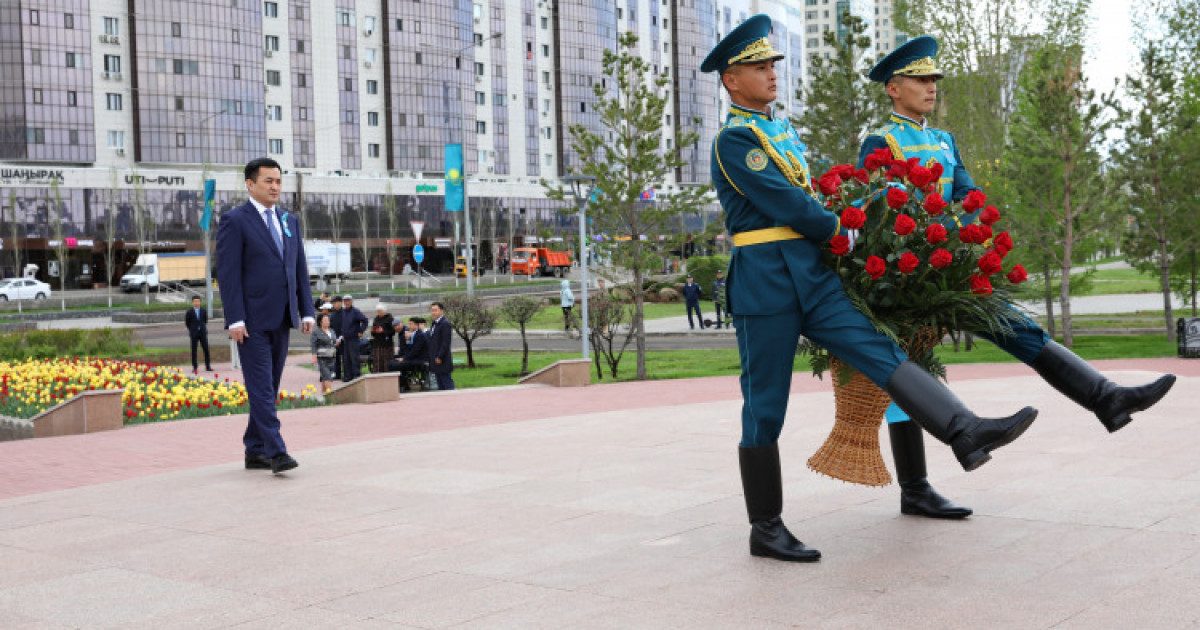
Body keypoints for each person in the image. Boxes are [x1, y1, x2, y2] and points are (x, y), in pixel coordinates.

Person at [702, 15, 1039, 562]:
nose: (770, 74)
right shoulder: (736, 139)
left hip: (810, 273)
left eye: (771, 65)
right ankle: (765, 526)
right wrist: (842, 229)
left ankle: (964, 429)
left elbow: (809, 197)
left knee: (879, 349)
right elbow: (787, 205)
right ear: (730, 80)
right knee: (766, 405)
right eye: (757, 67)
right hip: (765, 279)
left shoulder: (779, 130)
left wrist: (847, 223)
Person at [859, 36, 1178, 521]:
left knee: (1013, 324)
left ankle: (1105, 398)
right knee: (907, 372)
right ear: (893, 88)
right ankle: (917, 489)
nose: (930, 88)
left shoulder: (944, 141)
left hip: (950, 264)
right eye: (921, 80)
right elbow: (879, 210)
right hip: (907, 271)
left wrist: (981, 241)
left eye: (933, 80)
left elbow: (968, 197)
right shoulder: (881, 142)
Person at [216, 157, 315, 475]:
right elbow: (228, 274)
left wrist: (307, 310)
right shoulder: (235, 220)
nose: (275, 187)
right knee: (260, 387)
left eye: (278, 181)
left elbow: (299, 269)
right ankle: (276, 451)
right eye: (268, 181)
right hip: (251, 322)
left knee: (268, 387)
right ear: (250, 184)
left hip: (283, 317)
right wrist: (234, 318)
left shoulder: (289, 220)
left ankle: (254, 449)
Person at [389, 316, 429, 391]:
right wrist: (403, 357)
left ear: (416, 325)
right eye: (409, 324)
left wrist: (404, 358)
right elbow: (408, 349)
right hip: (411, 358)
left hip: (419, 359)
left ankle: (403, 386)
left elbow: (415, 351)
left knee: (397, 365)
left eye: (411, 324)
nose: (409, 326)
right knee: (391, 363)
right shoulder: (412, 334)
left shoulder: (420, 335)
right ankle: (400, 384)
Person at [340, 294, 368, 381]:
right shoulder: (343, 311)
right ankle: (348, 376)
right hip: (346, 339)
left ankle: (356, 375)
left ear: (351, 301)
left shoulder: (355, 311)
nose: (346, 302)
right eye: (345, 301)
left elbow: (365, 320)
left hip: (353, 338)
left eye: (348, 300)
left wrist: (361, 331)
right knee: (346, 358)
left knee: (354, 358)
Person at [427, 301, 454, 390]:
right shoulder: (434, 324)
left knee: (446, 381)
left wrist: (439, 356)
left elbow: (445, 342)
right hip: (435, 358)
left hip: (442, 359)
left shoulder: (445, 324)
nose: (433, 313)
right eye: (432, 310)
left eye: (435, 310)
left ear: (442, 311)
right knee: (440, 383)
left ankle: (453, 400)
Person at [310, 312, 339, 394]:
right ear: (320, 322)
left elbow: (333, 341)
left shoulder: (332, 331)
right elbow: (313, 345)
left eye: (328, 320)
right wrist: (314, 357)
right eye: (325, 320)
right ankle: (330, 395)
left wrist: (336, 343)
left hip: (332, 357)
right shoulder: (316, 332)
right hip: (322, 358)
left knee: (325, 378)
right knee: (327, 377)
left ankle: (323, 395)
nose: (327, 322)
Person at [185, 295, 213, 373]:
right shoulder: (189, 312)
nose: (196, 303)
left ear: (200, 302)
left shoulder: (203, 310)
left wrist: (202, 328)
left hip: (203, 333)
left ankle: (208, 366)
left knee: (206, 349)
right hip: (194, 333)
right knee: (194, 350)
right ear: (192, 302)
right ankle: (195, 367)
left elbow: (205, 320)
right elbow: (187, 323)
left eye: (198, 301)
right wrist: (192, 329)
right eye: (195, 301)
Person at [370, 303, 395, 374]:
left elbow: (392, 332)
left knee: (386, 361)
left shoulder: (390, 318)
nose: (378, 313)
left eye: (380, 311)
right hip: (377, 343)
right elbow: (373, 332)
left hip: (386, 344)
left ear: (384, 311)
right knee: (378, 361)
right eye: (377, 311)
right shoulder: (376, 319)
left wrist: (383, 331)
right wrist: (373, 331)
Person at [329, 295, 344, 379]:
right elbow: (330, 327)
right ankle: (337, 374)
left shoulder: (344, 313)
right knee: (335, 358)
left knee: (345, 358)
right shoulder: (332, 314)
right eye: (333, 303)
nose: (334, 304)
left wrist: (341, 338)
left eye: (335, 303)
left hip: (344, 338)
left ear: (340, 303)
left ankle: (347, 374)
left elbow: (346, 326)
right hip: (334, 339)